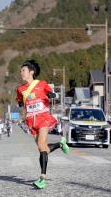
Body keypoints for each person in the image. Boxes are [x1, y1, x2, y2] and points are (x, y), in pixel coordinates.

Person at [16, 60, 69, 189]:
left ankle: (42, 178)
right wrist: (21, 104)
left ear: (31, 72)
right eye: (21, 71)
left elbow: (53, 94)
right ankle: (60, 144)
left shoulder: (42, 84)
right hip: (31, 121)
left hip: (43, 117)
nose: (21, 72)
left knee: (41, 145)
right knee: (43, 147)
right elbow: (19, 101)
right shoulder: (20, 89)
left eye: (23, 70)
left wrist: (52, 94)